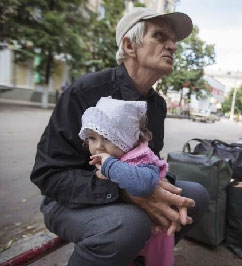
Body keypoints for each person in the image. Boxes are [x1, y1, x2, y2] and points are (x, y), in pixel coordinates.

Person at [30, 7, 210, 266]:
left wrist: (158, 187)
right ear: (129, 45)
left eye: (174, 40)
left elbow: (148, 159)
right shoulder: (85, 91)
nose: (173, 46)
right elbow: (47, 175)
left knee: (195, 197)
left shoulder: (156, 105)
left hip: (128, 189)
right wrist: (124, 190)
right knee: (129, 225)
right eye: (160, 37)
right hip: (67, 202)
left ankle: (139, 257)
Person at [79, 96, 176, 266]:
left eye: (108, 138)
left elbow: (144, 184)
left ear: (128, 139)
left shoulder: (140, 158)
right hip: (129, 232)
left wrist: (110, 166)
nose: (99, 146)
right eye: (92, 138)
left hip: (153, 238)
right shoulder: (114, 157)